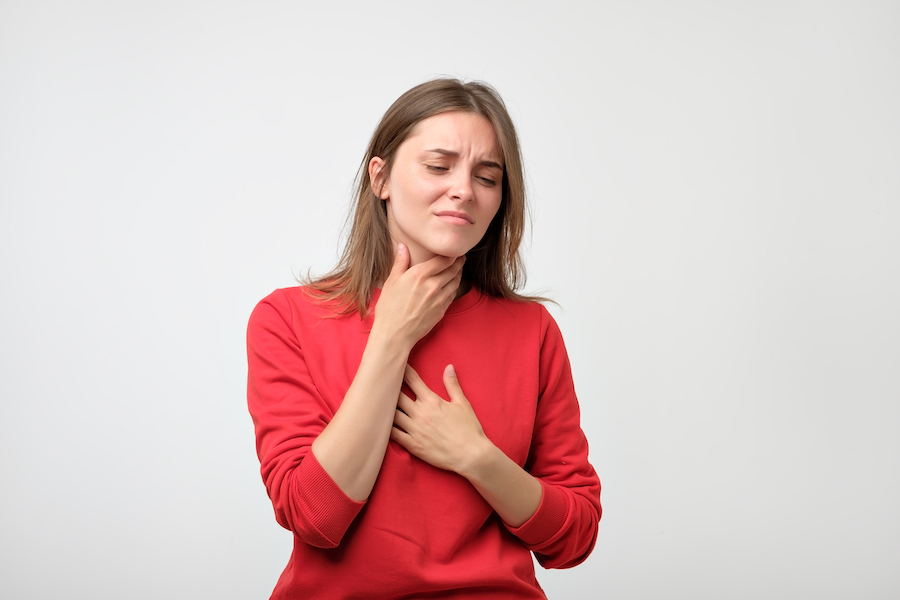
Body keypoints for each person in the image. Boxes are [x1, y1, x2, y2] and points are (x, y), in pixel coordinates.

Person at [246, 78, 601, 599]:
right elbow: (315, 517)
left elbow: (573, 539)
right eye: (438, 166)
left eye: (488, 176)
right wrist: (392, 336)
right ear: (381, 177)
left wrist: (476, 457)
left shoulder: (532, 332)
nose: (464, 189)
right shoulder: (287, 318)